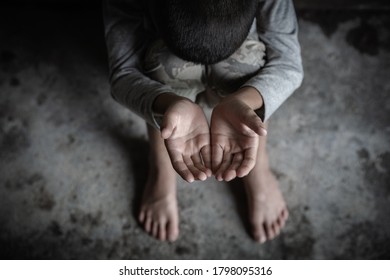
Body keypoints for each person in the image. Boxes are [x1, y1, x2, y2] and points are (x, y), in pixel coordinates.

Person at [103, 0, 303, 243]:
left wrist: (245, 102)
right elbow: (124, 73)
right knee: (166, 67)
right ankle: (161, 166)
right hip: (165, 52)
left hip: (238, 63)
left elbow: (289, 65)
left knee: (247, 69)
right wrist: (167, 105)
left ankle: (257, 166)